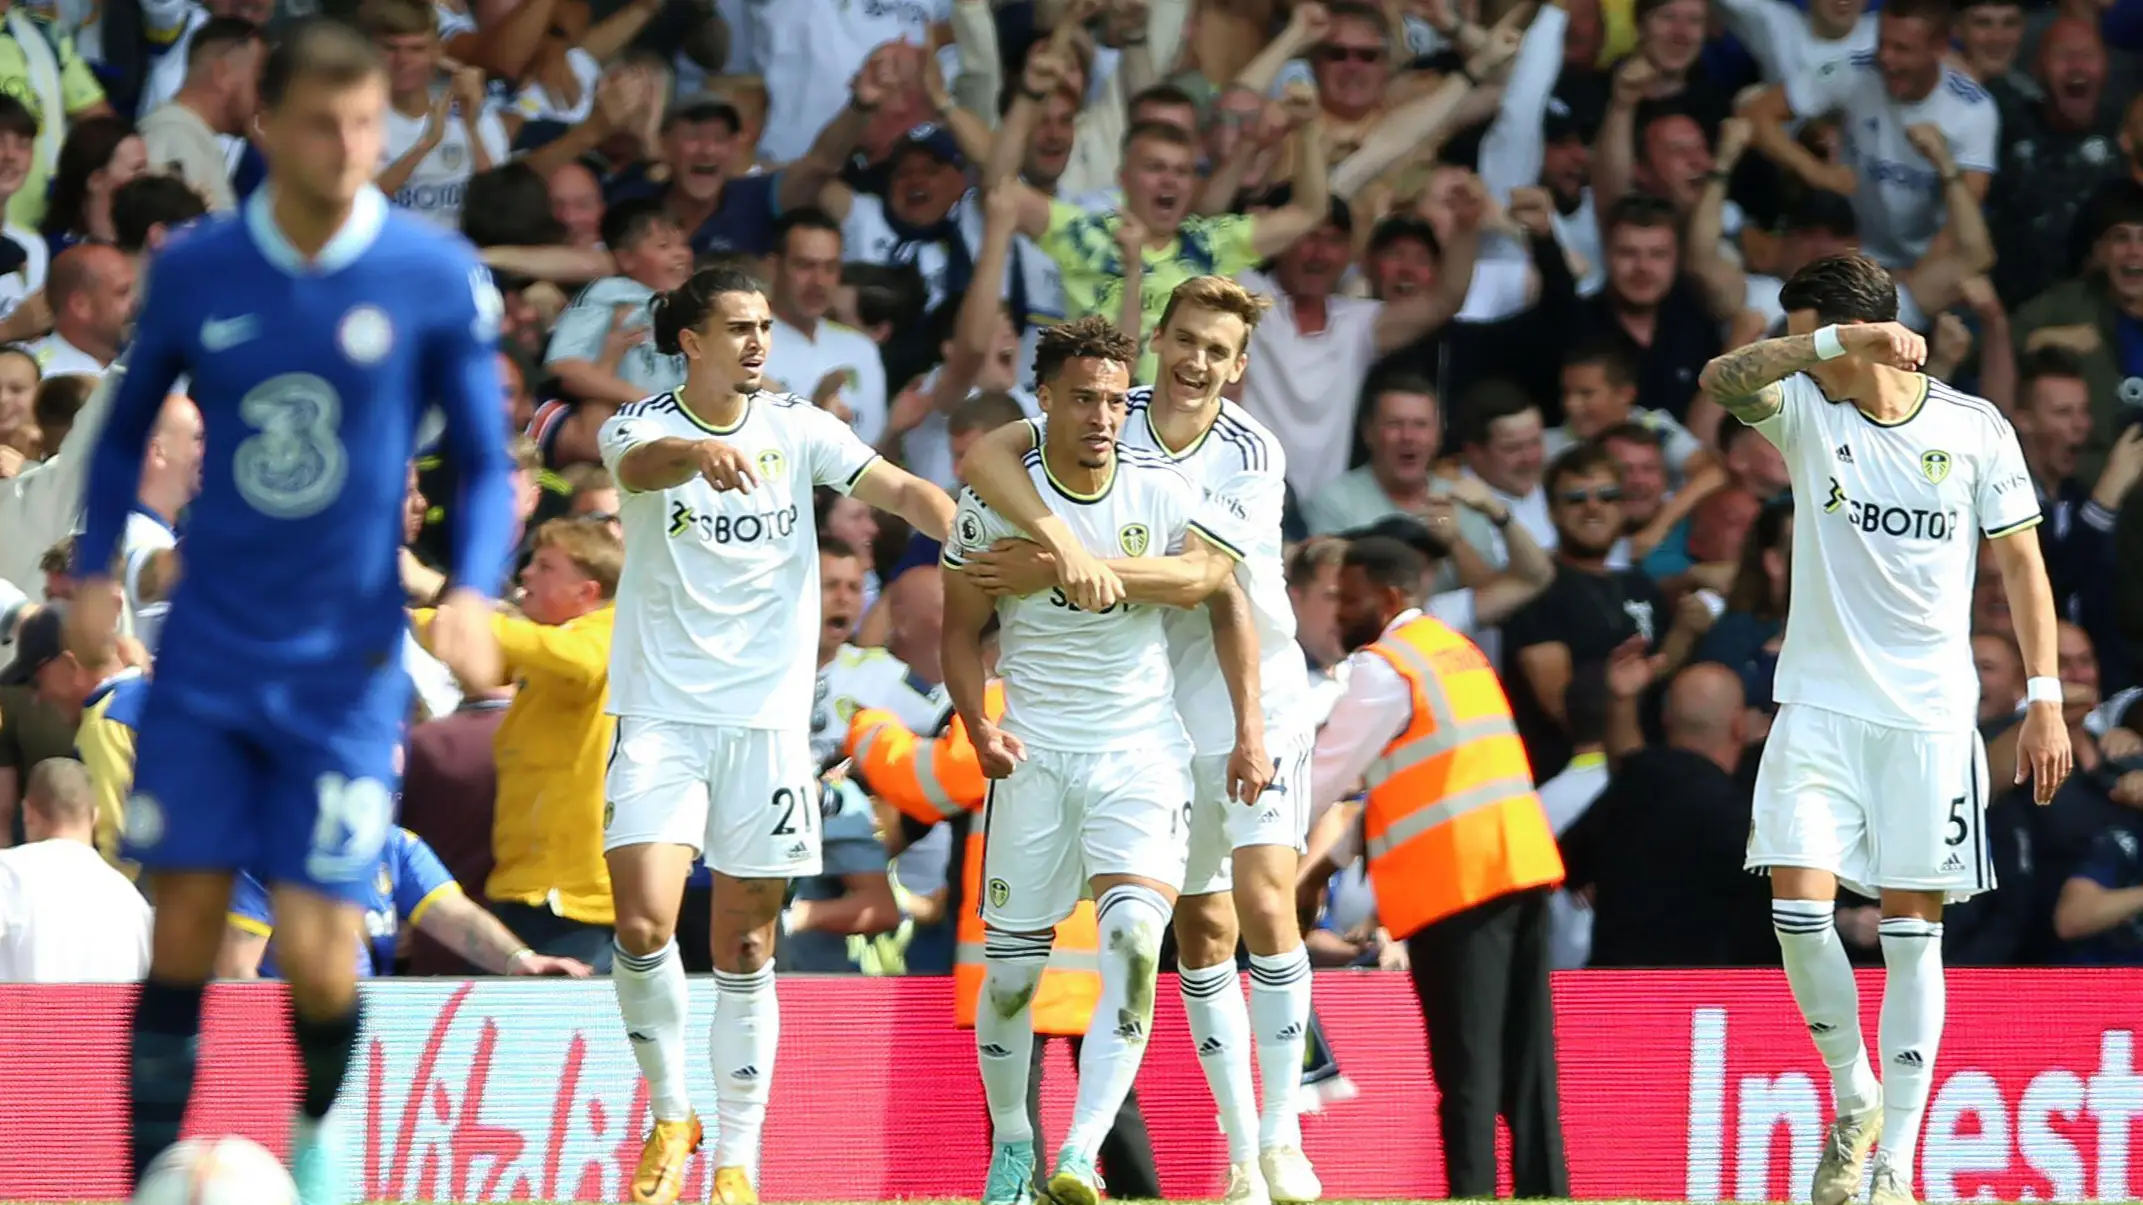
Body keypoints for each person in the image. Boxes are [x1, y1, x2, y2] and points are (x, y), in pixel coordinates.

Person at [70, 21, 516, 1205]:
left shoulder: (428, 272)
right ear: (264, 122)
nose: (350, 145)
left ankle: (316, 1142)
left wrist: (470, 589)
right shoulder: (203, 267)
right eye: (324, 121)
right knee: (184, 933)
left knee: (322, 954)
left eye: (368, 121)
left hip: (344, 661)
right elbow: (121, 436)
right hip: (210, 648)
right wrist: (91, 573)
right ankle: (140, 1184)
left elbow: (484, 460)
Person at [1695, 252, 2072, 1205]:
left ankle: (1895, 1161)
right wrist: (1832, 342)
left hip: (1930, 718)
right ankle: (1853, 1094)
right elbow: (1717, 380)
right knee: (1797, 913)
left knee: (1912, 933)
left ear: (1857, 324)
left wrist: (2043, 696)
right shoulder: (1806, 407)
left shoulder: (1974, 428)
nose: (1796, 352)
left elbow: (2023, 566)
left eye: (1809, 329)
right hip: (1818, 707)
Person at [957, 276, 1321, 1204]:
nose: (1197, 360)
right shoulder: (1112, 408)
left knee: (1264, 895)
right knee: (1196, 931)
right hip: (1148, 691)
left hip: (1254, 686)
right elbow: (990, 453)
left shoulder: (1248, 448)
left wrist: (1055, 564)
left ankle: (1280, 1137)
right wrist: (1058, 543)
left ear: (1239, 367)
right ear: (1160, 340)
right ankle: (1238, 1154)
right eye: (1186, 339)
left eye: (1218, 349)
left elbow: (1205, 574)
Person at [595, 264, 953, 1205]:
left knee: (746, 949)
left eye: (764, 325)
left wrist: (960, 523)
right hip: (663, 717)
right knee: (640, 919)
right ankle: (673, 1107)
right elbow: (640, 468)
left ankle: (736, 1161)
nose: (759, 341)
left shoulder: (798, 426)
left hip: (767, 727)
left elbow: (898, 487)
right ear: (691, 342)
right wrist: (692, 457)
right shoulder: (636, 426)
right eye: (740, 326)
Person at [1306, 535, 1569, 1199]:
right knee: (1525, 1058)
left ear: (1388, 596)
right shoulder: (1452, 651)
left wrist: (1273, 853)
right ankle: (1547, 1190)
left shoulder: (1382, 666)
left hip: (1455, 881)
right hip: (1518, 863)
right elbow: (1409, 782)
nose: (1337, 611)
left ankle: (1470, 1191)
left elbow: (1321, 777)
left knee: (1467, 1065)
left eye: (1349, 596)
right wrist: (1320, 868)